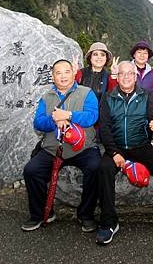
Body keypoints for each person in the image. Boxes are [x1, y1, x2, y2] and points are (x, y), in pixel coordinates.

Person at [96, 61, 153, 245]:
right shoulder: (108, 98)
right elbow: (105, 129)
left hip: (141, 145)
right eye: (122, 73)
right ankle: (109, 222)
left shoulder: (146, 95)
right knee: (103, 169)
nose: (126, 77)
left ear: (136, 76)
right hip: (116, 147)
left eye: (130, 73)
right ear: (117, 76)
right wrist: (113, 153)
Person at [22, 59, 101, 232]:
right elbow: (38, 123)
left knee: (96, 168)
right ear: (53, 76)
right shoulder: (47, 97)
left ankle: (86, 214)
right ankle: (41, 213)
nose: (63, 76)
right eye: (58, 73)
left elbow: (92, 116)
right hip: (53, 147)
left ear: (74, 73)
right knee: (31, 170)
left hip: (83, 147)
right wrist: (54, 120)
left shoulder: (86, 93)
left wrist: (69, 115)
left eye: (66, 71)